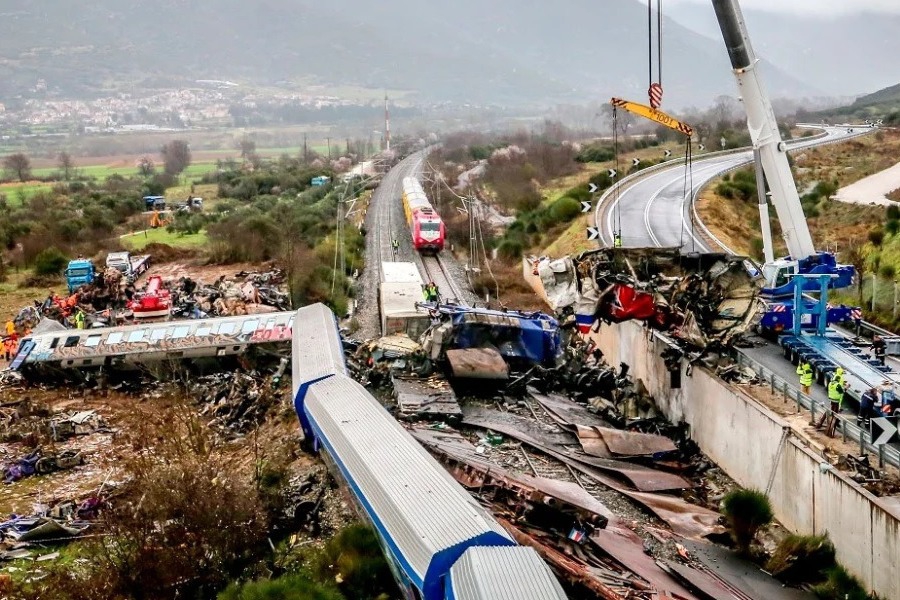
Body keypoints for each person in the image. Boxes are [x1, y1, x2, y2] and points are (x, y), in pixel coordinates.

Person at [817, 367, 845, 435]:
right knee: (834, 415)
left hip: (831, 398)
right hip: (837, 400)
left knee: (829, 411)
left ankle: (820, 424)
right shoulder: (838, 382)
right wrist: (845, 388)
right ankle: (830, 431)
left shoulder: (831, 382)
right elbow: (841, 391)